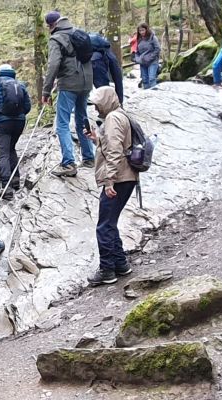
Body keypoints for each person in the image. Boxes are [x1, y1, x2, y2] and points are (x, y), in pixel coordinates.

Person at [86, 86, 139, 285]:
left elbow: (116, 151)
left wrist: (109, 181)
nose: (96, 109)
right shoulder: (120, 115)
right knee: (110, 222)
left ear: (106, 101)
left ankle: (107, 269)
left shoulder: (113, 119)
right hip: (125, 176)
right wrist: (96, 139)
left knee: (104, 225)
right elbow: (114, 144)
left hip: (119, 178)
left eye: (98, 104)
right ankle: (121, 263)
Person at [40, 11, 96, 177]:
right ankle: (89, 157)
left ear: (51, 26)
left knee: (62, 123)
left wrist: (46, 90)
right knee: (81, 117)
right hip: (86, 83)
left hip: (69, 84)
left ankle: (68, 163)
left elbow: (53, 65)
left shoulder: (56, 39)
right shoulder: (78, 33)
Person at [89, 33, 126, 103]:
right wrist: (120, 101)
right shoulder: (106, 50)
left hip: (95, 62)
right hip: (99, 60)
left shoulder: (95, 55)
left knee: (102, 90)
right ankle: (116, 105)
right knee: (105, 89)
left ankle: (108, 109)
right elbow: (117, 78)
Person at [134, 24, 162, 90]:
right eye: (140, 31)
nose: (141, 32)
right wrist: (137, 59)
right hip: (143, 62)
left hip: (152, 61)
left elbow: (157, 48)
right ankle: (147, 95)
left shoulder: (152, 38)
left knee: (152, 78)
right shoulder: (138, 39)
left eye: (143, 30)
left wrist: (150, 57)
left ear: (146, 30)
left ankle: (154, 95)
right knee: (144, 80)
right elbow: (136, 50)